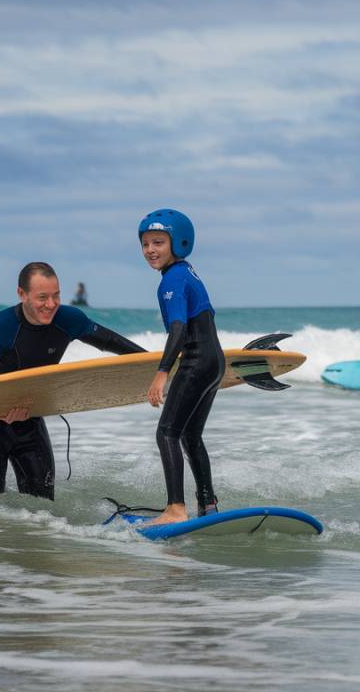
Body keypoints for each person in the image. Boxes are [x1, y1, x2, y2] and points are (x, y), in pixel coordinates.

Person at [0, 262, 146, 500]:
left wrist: (151, 364)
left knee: (44, 507)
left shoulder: (68, 319)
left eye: (56, 296)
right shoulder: (0, 327)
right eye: (42, 297)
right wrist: (0, 410)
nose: (51, 304)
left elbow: (109, 341)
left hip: (30, 418)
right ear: (22, 294)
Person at [140, 209, 224, 525]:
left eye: (158, 242)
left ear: (180, 243)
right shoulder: (188, 273)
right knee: (190, 436)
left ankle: (176, 508)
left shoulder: (171, 281)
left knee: (166, 434)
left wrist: (162, 373)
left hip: (196, 361)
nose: (150, 250)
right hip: (214, 362)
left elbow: (178, 330)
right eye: (145, 243)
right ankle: (208, 506)